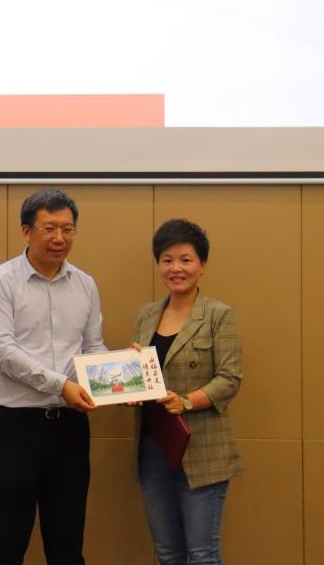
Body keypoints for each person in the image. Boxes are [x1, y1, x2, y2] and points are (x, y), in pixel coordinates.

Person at [0, 188, 106, 565]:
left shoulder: (85, 284)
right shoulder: (0, 281)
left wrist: (118, 378)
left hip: (70, 426)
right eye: (49, 228)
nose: (59, 238)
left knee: (67, 538)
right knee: (8, 535)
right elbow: (1, 353)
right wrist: (60, 385)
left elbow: (93, 346)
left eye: (68, 229)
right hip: (15, 426)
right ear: (26, 231)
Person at [130, 219, 242, 565]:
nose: (175, 268)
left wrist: (186, 401)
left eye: (185, 259)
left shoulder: (219, 315)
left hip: (201, 448)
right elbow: (143, 376)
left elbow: (230, 379)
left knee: (202, 554)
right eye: (167, 260)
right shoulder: (146, 315)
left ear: (202, 264)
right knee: (167, 553)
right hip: (153, 447)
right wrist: (131, 385)